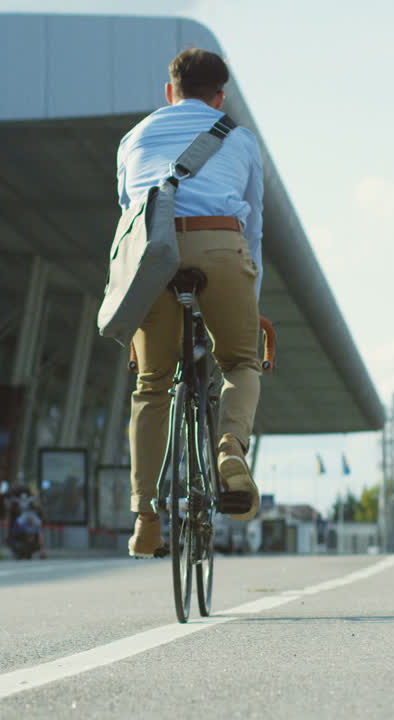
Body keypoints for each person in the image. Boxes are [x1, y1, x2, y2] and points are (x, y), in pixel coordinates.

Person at [116, 48, 264, 558]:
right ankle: (229, 451)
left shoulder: (133, 138)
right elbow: (255, 230)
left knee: (151, 385)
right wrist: (248, 298)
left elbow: (131, 217)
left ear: (169, 92)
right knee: (242, 361)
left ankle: (146, 519)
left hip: (152, 256)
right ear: (220, 97)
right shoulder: (240, 139)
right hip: (221, 247)